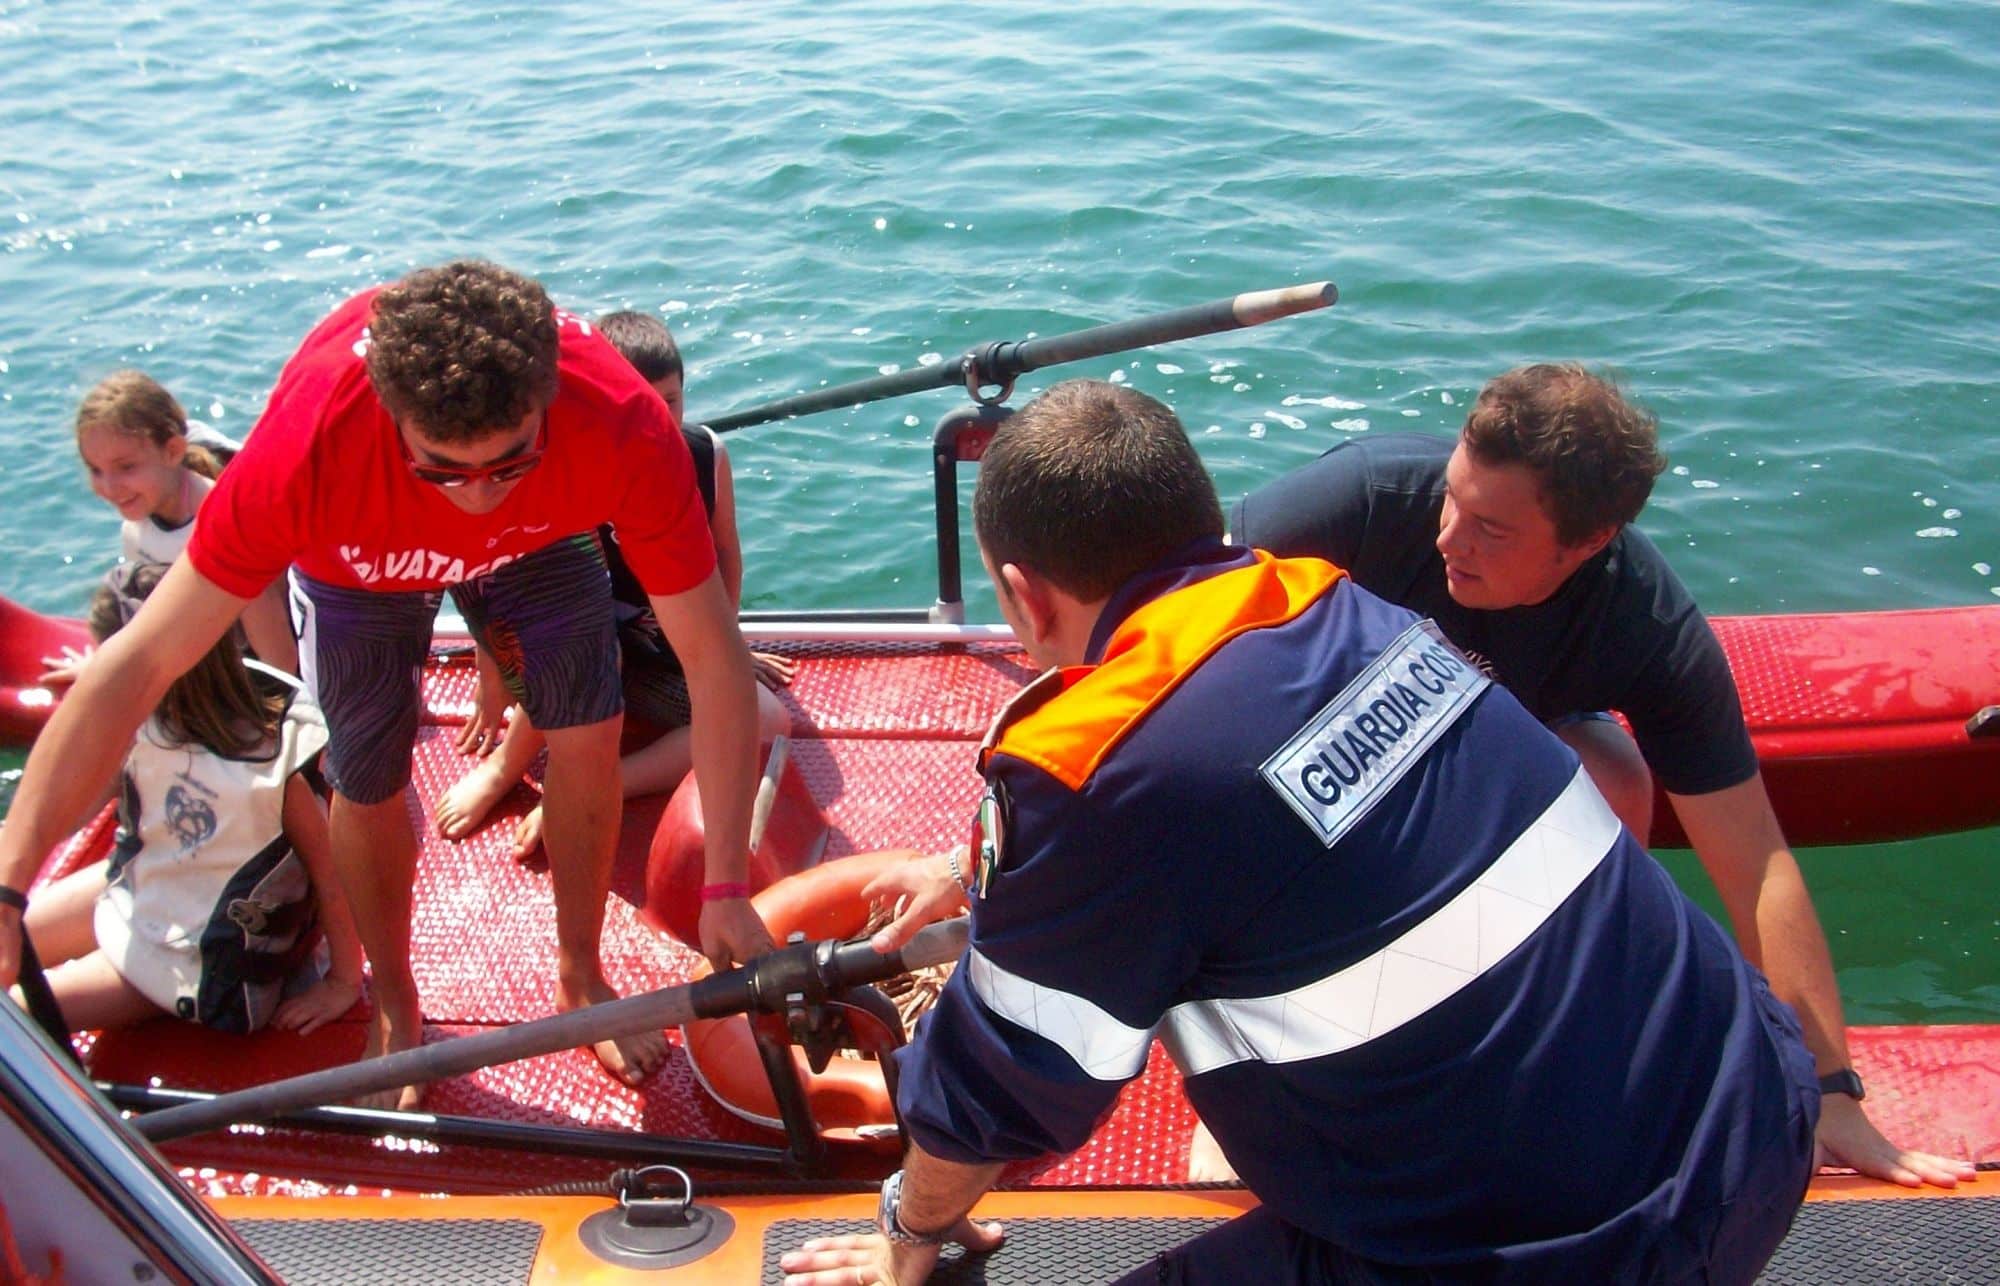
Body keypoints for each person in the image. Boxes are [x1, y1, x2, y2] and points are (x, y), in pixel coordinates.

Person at [781, 379, 1820, 1285]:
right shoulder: (1354, 611)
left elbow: (1005, 1082)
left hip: (1587, 1247)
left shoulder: (1094, 766)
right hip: (1762, 1113)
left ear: (1018, 592)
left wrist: (904, 1226)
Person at [0, 261, 770, 1109]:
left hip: (544, 535)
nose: (475, 498)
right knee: (366, 774)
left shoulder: (618, 420)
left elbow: (715, 661)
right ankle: (399, 1010)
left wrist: (726, 885)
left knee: (587, 725)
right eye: (445, 470)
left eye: (507, 461)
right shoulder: (305, 448)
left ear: (550, 402)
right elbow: (136, 667)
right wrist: (11, 878)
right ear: (391, 414)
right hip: (360, 556)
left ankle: (581, 975)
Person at [1230, 362, 1974, 1191]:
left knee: (1611, 771)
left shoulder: (1643, 625)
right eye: (1451, 497)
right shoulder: (1361, 501)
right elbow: (1156, 631)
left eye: (1492, 530)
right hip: (1296, 760)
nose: (1448, 537)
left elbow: (1755, 859)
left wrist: (1830, 1092)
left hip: (1445, 784)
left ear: (1588, 544)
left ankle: (1520, 1022)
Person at [434, 309, 793, 860]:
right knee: (572, 647)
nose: (658, 421)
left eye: (670, 402)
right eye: (641, 403)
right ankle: (507, 766)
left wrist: (728, 643)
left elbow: (725, 553)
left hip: (664, 645)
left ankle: (596, 788)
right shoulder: (563, 471)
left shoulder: (705, 455)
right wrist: (491, 667)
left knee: (765, 718)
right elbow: (499, 576)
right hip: (576, 643)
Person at [16, 562, 362, 1038]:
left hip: (205, 953)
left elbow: (332, 873)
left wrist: (343, 981)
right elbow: (66, 811)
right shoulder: (140, 721)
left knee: (17, 1014)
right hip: (154, 879)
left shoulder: (272, 761)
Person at [43, 370, 297, 684]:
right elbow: (151, 618)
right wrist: (100, 668)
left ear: (173, 451)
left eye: (126, 467)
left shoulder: (226, 528)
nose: (109, 486)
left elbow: (281, 663)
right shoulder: (139, 528)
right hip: (214, 661)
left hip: (257, 675)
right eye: (95, 469)